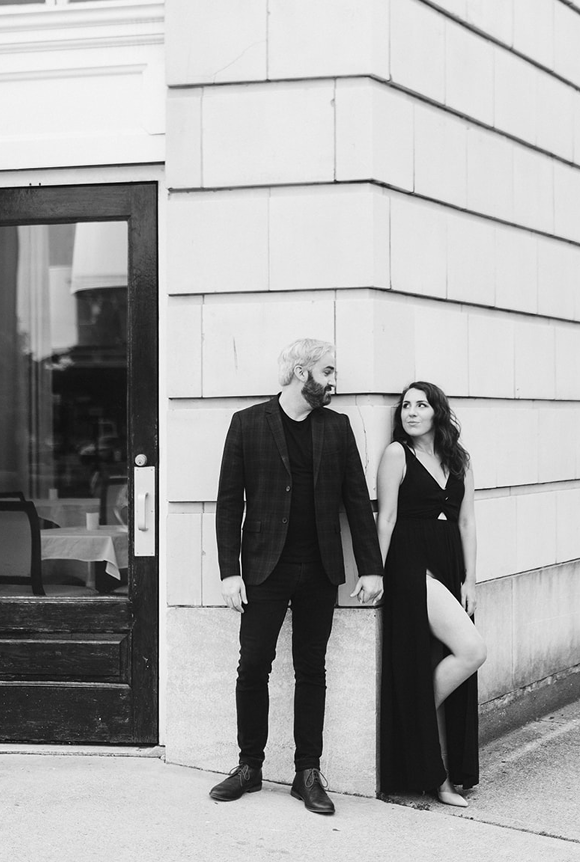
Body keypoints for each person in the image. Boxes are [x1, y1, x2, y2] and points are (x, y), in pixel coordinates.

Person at [208, 339, 384, 815]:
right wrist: (230, 573)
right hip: (265, 569)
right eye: (328, 371)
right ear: (300, 371)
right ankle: (249, 766)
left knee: (312, 669)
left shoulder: (337, 427)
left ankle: (307, 771)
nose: (333, 381)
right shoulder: (247, 423)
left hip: (320, 568)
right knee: (253, 666)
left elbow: (356, 501)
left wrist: (371, 566)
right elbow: (229, 504)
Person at [375, 381, 486, 805]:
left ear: (438, 412)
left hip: (451, 568)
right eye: (405, 405)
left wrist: (471, 579)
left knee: (440, 662)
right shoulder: (396, 455)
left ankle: (437, 775)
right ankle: (414, 728)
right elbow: (385, 519)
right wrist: (377, 573)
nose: (411, 412)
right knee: (472, 650)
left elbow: (467, 522)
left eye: (421, 405)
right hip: (411, 569)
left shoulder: (459, 460)